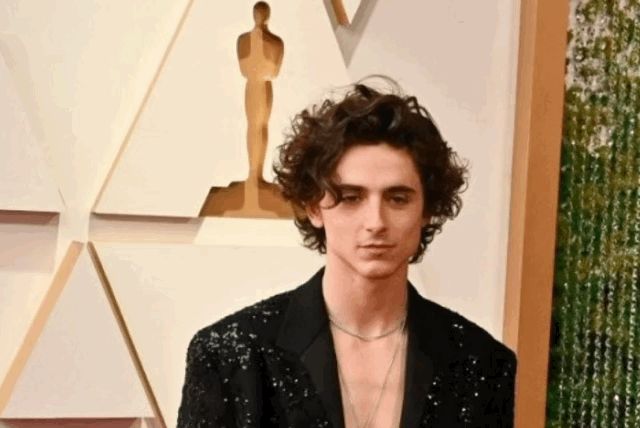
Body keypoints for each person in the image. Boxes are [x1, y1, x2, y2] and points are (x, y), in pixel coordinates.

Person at [176, 77, 517, 428]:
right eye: (351, 198)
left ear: (427, 209)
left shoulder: (482, 364)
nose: (376, 222)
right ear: (314, 207)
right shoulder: (230, 355)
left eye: (398, 199)